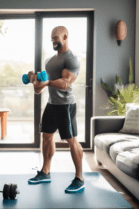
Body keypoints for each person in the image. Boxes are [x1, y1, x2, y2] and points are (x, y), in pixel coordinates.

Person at [27, 26, 84, 193]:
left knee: (71, 141)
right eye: (51, 38)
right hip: (51, 104)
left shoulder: (71, 59)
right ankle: (45, 172)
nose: (53, 40)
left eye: (56, 37)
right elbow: (39, 90)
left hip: (66, 105)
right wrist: (35, 81)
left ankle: (79, 178)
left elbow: (66, 83)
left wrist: (46, 83)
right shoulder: (49, 61)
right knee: (46, 137)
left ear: (65, 36)